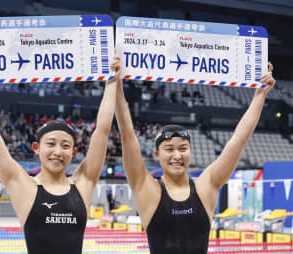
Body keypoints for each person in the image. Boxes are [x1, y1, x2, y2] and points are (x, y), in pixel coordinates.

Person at [0, 56, 122, 254]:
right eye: (51, 144)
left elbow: (102, 131)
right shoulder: (22, 185)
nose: (57, 151)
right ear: (36, 148)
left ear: (73, 152)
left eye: (65, 145)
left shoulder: (83, 183)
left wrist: (111, 83)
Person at [115, 64, 275, 253]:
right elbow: (126, 133)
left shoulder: (206, 186)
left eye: (183, 148)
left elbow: (239, 139)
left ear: (191, 151)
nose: (177, 155)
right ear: (157, 154)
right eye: (169, 149)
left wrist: (259, 95)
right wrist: (116, 82)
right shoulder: (147, 189)